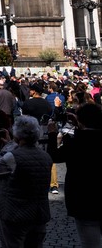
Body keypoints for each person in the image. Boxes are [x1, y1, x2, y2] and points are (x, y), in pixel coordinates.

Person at [0, 115, 52, 248]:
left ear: (17, 134)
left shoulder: (14, 157)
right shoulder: (45, 156)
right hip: (39, 215)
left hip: (15, 214)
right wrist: (11, 144)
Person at [46, 101, 102, 247]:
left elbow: (54, 156)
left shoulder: (76, 142)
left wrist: (52, 135)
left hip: (82, 196)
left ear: (81, 120)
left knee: (90, 241)